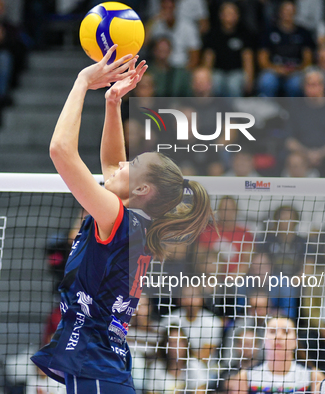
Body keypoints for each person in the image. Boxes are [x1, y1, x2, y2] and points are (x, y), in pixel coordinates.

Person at [31, 46, 215, 393]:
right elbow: (113, 165)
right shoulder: (134, 221)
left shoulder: (118, 220)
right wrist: (113, 102)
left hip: (96, 364)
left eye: (132, 164)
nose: (121, 165)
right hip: (99, 362)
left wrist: (83, 81)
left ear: (142, 188)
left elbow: (60, 151)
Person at [225, 317, 325, 394]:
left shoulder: (313, 376)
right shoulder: (245, 376)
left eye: (285, 332)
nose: (278, 336)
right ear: (264, 339)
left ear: (295, 341)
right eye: (272, 332)